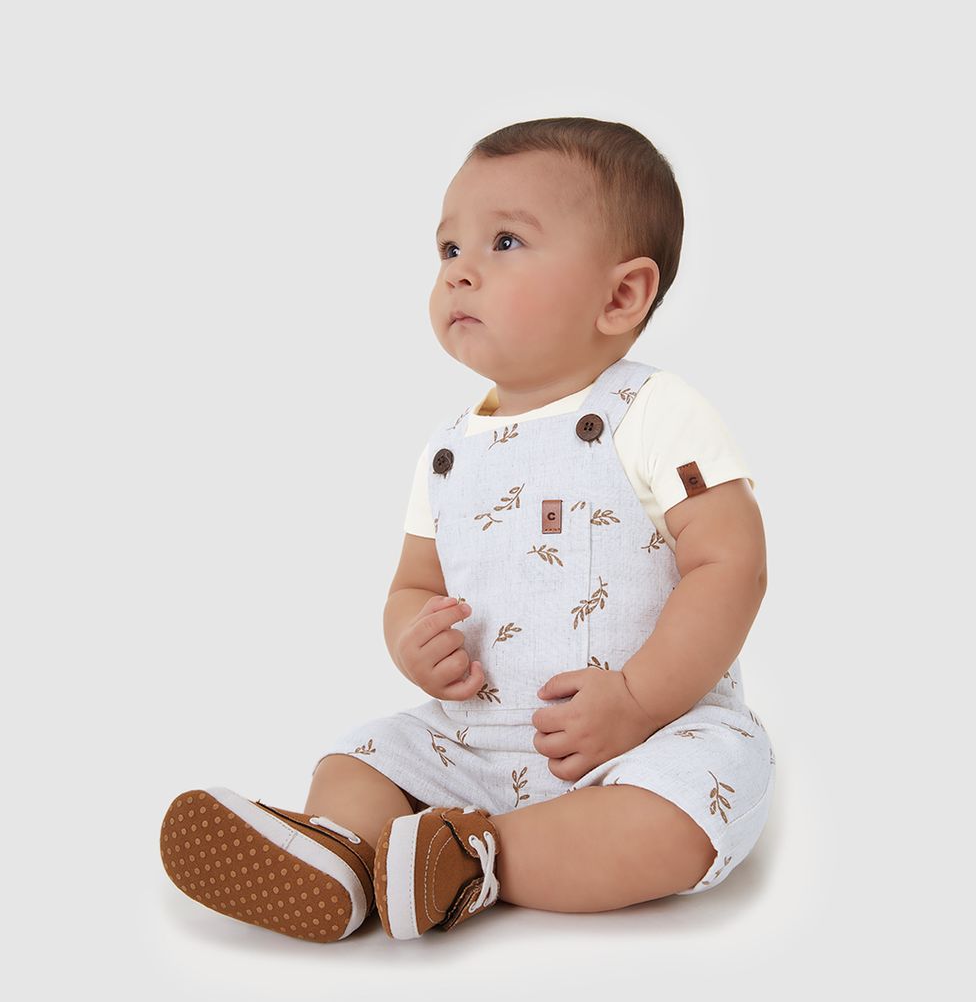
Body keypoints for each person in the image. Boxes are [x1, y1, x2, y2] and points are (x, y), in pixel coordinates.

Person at [160, 116, 775, 944]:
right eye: (449, 249)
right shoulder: (451, 451)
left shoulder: (655, 412)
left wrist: (637, 700)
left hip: (649, 737)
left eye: (505, 242)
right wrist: (414, 642)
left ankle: (471, 862)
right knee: (362, 754)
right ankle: (344, 853)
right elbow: (414, 585)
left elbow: (730, 564)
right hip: (476, 740)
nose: (459, 272)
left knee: (685, 808)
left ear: (620, 296)